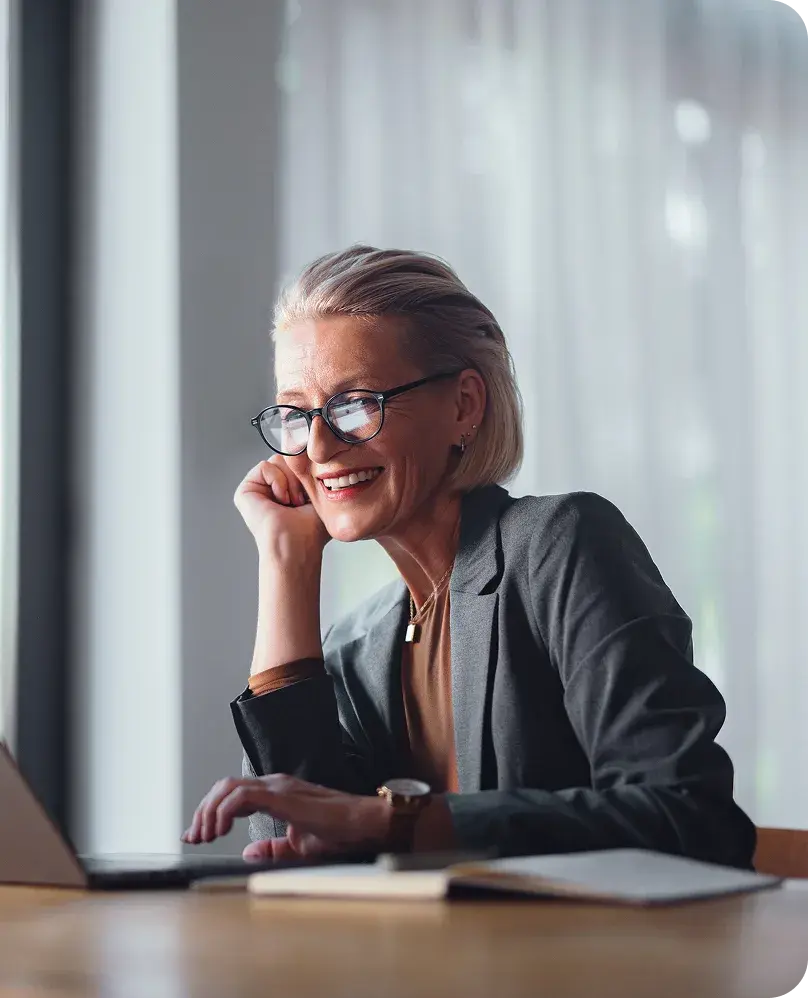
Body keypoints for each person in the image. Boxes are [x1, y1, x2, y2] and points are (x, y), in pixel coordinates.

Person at [182, 246, 755, 868]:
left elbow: (689, 818)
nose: (318, 445)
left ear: (464, 406)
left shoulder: (561, 544)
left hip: (591, 963)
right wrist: (286, 566)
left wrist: (388, 822)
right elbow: (287, 843)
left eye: (355, 403)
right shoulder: (358, 643)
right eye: (297, 413)